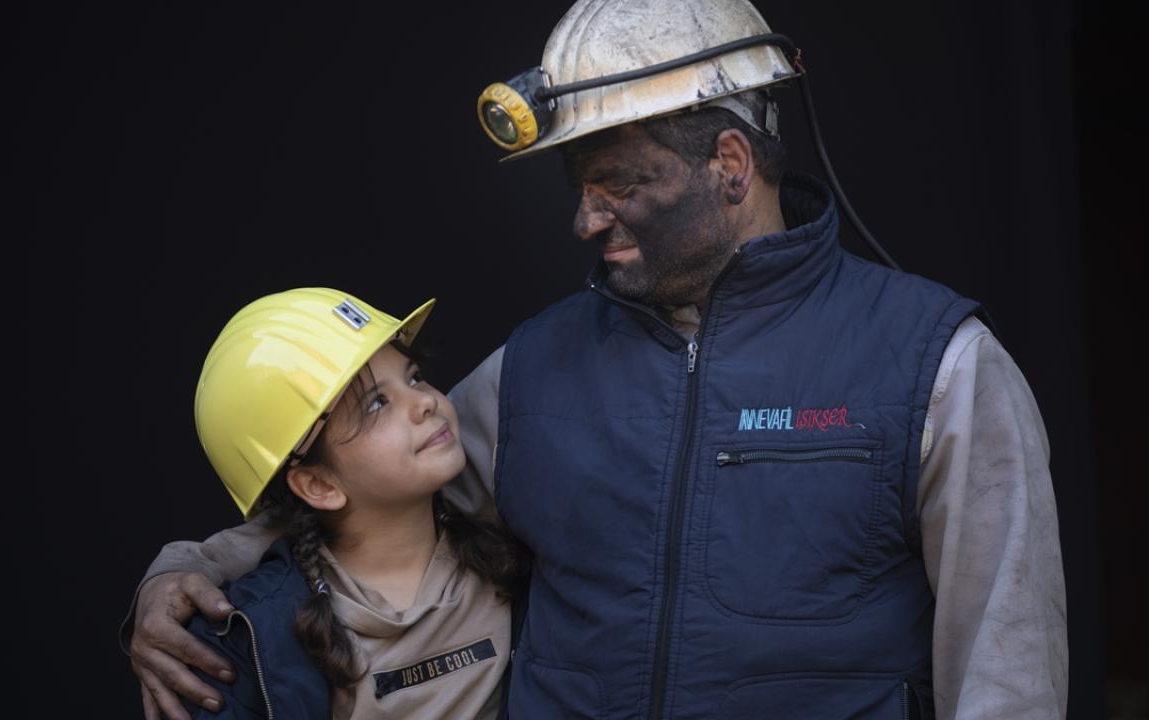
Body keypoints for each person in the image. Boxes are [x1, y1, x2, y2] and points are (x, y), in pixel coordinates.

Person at [125, 2, 1068, 718]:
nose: (585, 219)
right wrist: (180, 574)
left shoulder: (937, 367)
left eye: (619, 185)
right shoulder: (532, 372)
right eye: (579, 188)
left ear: (730, 165)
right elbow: (353, 496)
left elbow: (1008, 666)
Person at [173, 288, 525, 719]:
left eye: (414, 377)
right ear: (319, 485)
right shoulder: (254, 634)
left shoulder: (510, 548)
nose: (425, 401)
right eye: (377, 403)